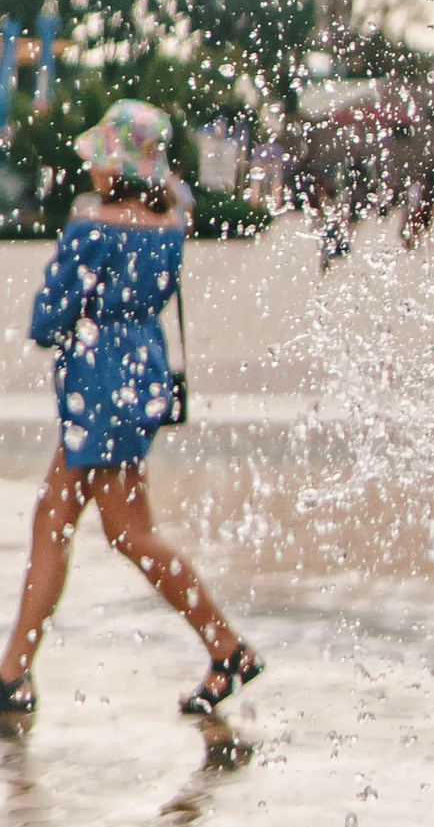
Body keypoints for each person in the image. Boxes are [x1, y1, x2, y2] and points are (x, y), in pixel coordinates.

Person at [0, 101, 261, 723]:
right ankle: (13, 669)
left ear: (113, 167)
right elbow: (179, 207)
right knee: (63, 520)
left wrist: (66, 316)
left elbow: (46, 319)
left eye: (98, 159)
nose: (89, 169)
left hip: (98, 383)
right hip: (138, 376)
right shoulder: (167, 228)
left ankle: (226, 647)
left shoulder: (93, 228)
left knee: (122, 531)